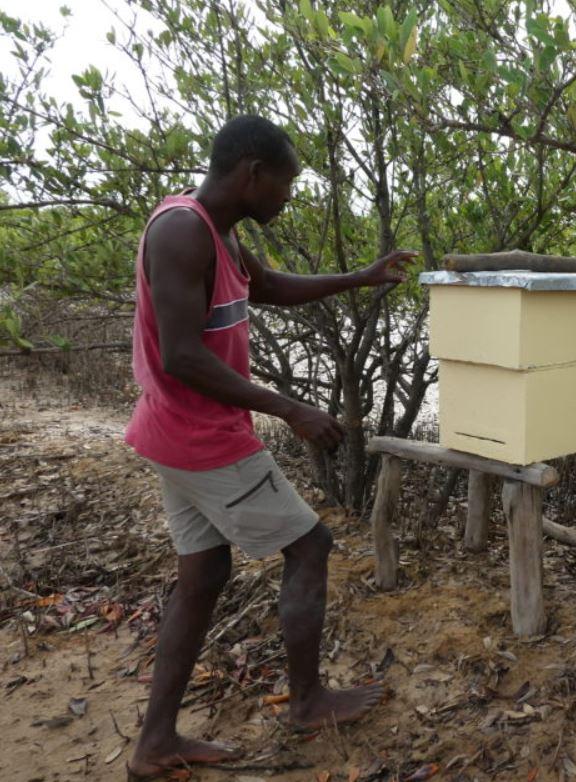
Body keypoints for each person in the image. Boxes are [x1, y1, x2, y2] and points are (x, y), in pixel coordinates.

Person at [123, 115, 416, 779]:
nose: (288, 198)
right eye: (285, 185)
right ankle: (308, 701)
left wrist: (362, 278)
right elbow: (181, 356)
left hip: (176, 433)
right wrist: (290, 408)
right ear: (252, 175)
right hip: (201, 436)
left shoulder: (216, 231)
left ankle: (155, 742)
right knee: (309, 545)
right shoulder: (181, 231)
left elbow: (274, 289)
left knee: (202, 576)